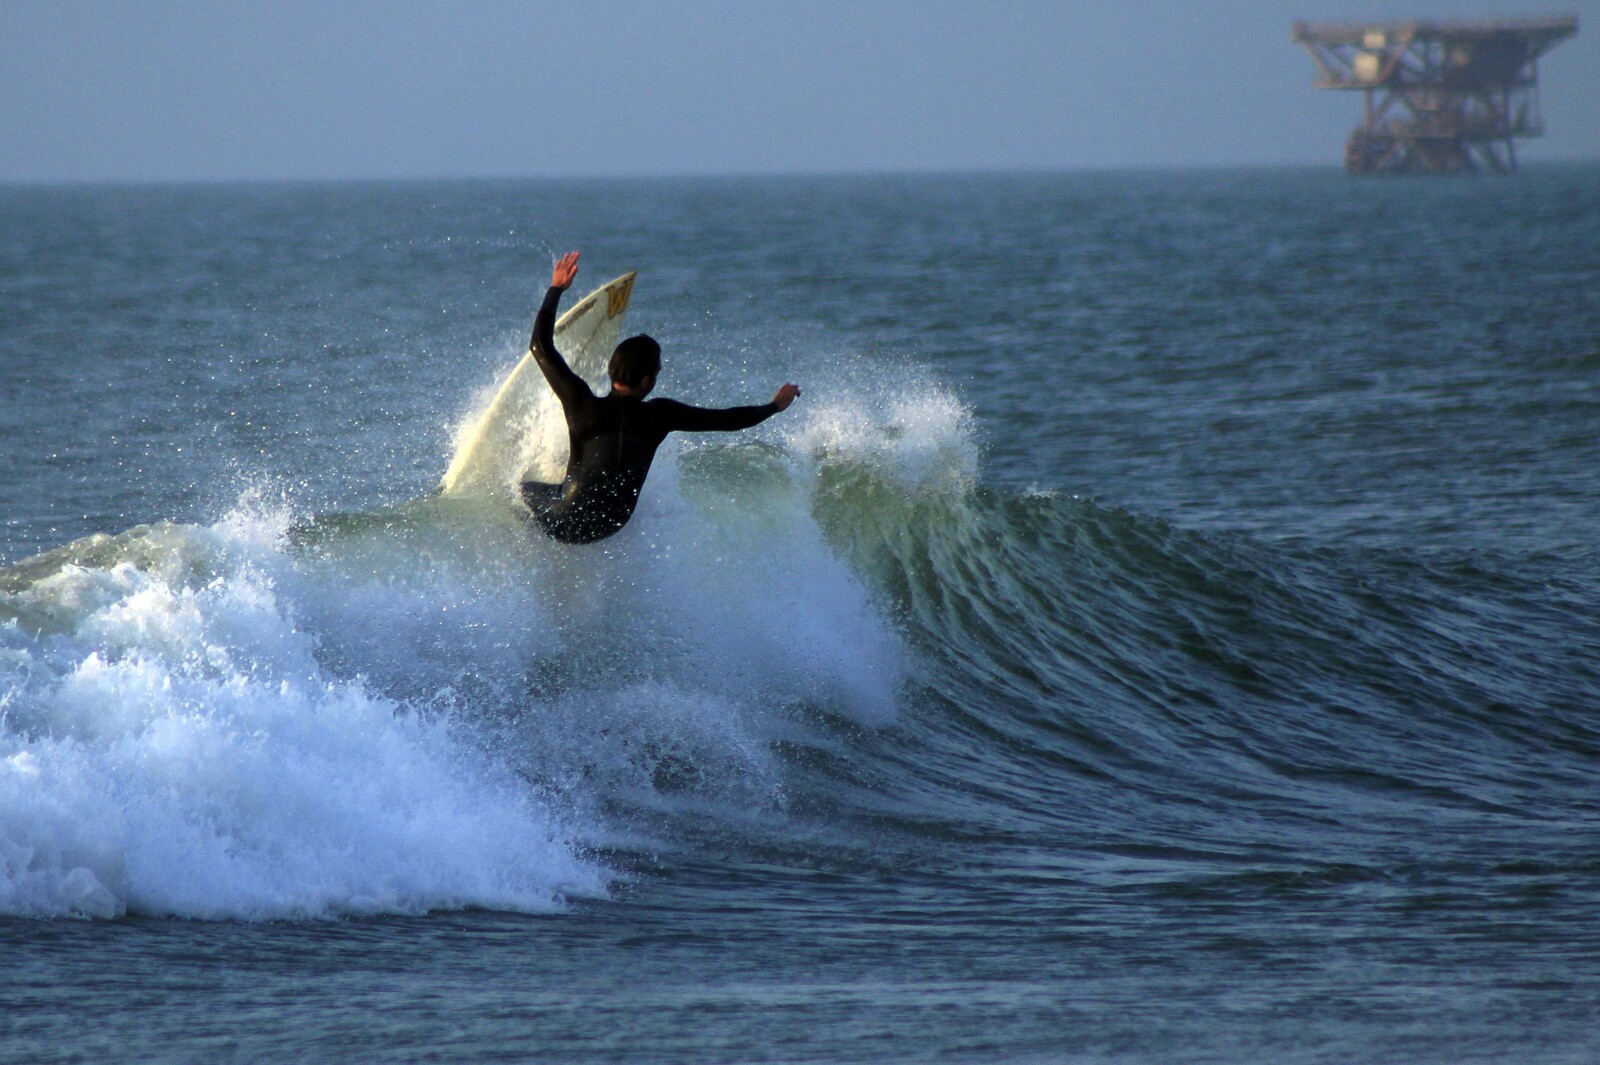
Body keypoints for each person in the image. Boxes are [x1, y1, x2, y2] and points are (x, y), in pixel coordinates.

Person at [521, 250, 801, 544]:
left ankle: (524, 534)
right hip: (611, 525)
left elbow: (540, 345)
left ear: (612, 369)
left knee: (521, 490)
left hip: (565, 518)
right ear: (646, 382)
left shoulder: (581, 403)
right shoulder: (660, 415)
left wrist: (556, 288)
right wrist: (773, 406)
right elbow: (728, 420)